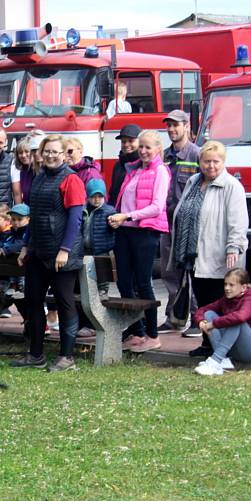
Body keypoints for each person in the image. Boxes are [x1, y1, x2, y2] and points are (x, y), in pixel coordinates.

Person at [12, 135, 86, 372]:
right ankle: (36, 354)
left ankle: (67, 357)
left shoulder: (72, 180)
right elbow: (34, 217)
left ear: (64, 155)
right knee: (33, 301)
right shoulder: (40, 178)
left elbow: (75, 220)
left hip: (62, 253)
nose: (51, 156)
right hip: (39, 250)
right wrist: (26, 245)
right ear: (41, 154)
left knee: (65, 304)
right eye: (47, 152)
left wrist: (64, 250)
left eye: (56, 152)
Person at [171, 140, 249, 359]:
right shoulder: (193, 181)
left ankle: (222, 348)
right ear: (200, 162)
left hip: (219, 255)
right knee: (203, 305)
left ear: (223, 162)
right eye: (206, 162)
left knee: (220, 304)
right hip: (195, 255)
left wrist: (234, 247)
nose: (211, 166)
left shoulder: (232, 186)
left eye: (216, 162)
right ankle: (207, 343)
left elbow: (238, 222)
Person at [108, 129, 171, 353]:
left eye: (147, 147)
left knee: (143, 283)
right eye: (141, 147)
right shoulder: (132, 169)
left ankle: (153, 334)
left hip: (145, 232)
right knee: (124, 282)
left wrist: (128, 216)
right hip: (124, 230)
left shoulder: (161, 171)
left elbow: (157, 206)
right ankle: (137, 331)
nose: (143, 151)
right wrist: (116, 217)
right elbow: (121, 199)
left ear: (157, 149)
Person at [159, 110, 201, 336]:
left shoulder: (197, 154)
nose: (172, 130)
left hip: (189, 224)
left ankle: (197, 318)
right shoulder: (164, 155)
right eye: (169, 126)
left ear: (186, 126)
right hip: (166, 223)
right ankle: (174, 317)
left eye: (176, 125)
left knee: (191, 272)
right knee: (169, 272)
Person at [192, 268, 251, 375]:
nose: (227, 288)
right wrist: (201, 321)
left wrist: (213, 324)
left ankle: (215, 360)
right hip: (234, 349)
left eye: (231, 285)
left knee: (236, 321)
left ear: (243, 287)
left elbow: (240, 317)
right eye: (225, 284)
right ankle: (223, 361)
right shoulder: (227, 299)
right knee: (209, 314)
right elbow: (203, 309)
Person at [81, 179, 117, 298]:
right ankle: (89, 290)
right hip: (86, 247)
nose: (96, 199)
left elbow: (114, 229)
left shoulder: (108, 211)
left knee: (102, 271)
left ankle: (103, 290)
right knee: (87, 271)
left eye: (100, 196)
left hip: (102, 247)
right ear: (88, 197)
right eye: (93, 196)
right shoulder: (83, 210)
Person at [0, 203, 29, 299]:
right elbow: (4, 241)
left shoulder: (27, 232)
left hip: (24, 267)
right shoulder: (12, 232)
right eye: (14, 219)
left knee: (21, 274)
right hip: (13, 267)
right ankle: (13, 285)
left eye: (20, 219)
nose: (16, 222)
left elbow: (19, 244)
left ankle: (21, 288)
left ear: (28, 219)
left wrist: (3, 250)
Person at [108, 124, 142, 207]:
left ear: (140, 141)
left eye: (131, 141)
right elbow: (113, 193)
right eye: (123, 142)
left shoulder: (143, 164)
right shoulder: (118, 165)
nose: (126, 145)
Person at [12, 134, 42, 204]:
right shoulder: (20, 171)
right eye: (20, 153)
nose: (23, 155)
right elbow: (17, 195)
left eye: (27, 151)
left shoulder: (41, 170)